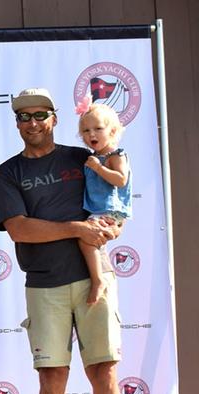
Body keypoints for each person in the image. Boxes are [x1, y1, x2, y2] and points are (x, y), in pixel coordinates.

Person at [0, 88, 128, 394]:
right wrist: (77, 228)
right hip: (44, 285)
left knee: (104, 371)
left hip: (94, 279)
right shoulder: (7, 173)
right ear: (16, 124)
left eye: (40, 115)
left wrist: (113, 227)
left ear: (54, 118)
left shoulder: (81, 156)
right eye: (24, 117)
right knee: (52, 378)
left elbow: (114, 198)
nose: (32, 123)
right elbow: (20, 228)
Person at [75, 101, 133, 306]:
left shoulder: (116, 155)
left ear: (113, 131)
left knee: (86, 239)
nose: (92, 134)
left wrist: (99, 168)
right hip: (100, 209)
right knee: (91, 239)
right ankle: (98, 277)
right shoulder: (94, 157)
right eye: (86, 130)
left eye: (98, 128)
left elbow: (121, 179)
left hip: (111, 209)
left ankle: (98, 279)